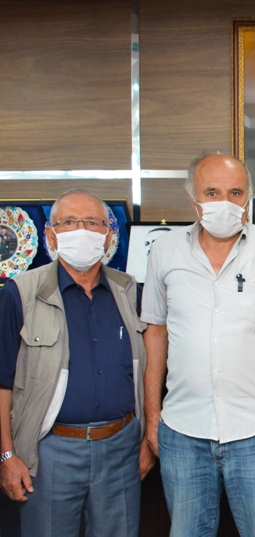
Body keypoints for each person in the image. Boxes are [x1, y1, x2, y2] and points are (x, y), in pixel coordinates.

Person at [142, 154, 255, 537]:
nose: (224, 202)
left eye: (235, 193)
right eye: (211, 192)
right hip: (183, 430)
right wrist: (152, 416)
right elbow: (155, 333)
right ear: (192, 198)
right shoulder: (164, 251)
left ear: (249, 198)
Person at [0, 189, 151, 536]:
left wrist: (144, 441)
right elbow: (2, 382)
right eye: (69, 222)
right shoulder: (19, 293)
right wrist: (6, 455)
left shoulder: (129, 290)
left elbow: (146, 369)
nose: (81, 230)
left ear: (109, 235)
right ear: (51, 235)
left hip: (121, 449)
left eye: (92, 223)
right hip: (50, 451)